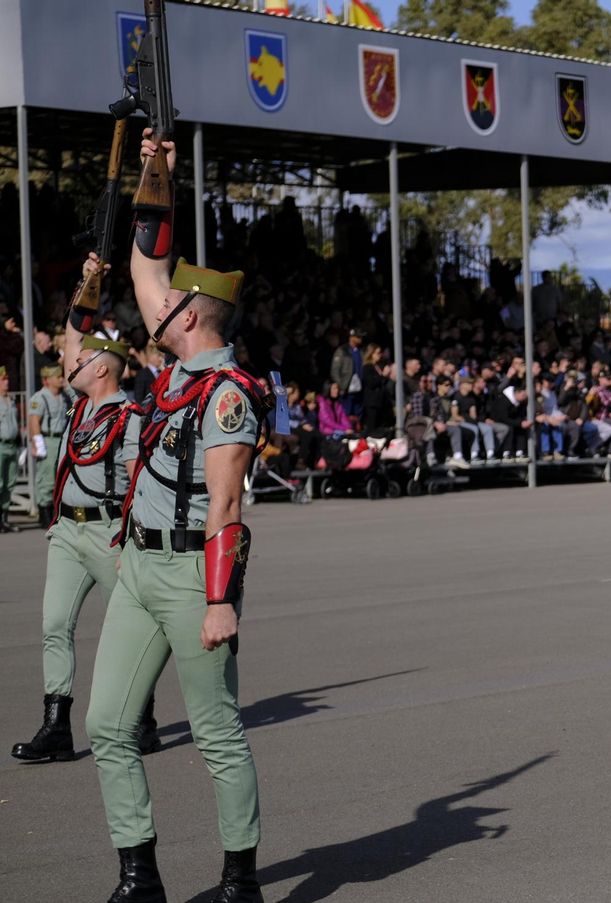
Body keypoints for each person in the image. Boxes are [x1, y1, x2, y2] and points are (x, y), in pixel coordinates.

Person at [84, 130, 269, 901]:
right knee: (105, 726)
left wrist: (221, 600)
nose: (153, 304)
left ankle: (240, 879)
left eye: (168, 303)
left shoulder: (225, 395)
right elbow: (144, 260)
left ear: (192, 318)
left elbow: (227, 503)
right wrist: (157, 170)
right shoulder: (171, 372)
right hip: (140, 566)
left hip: (198, 573)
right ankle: (139, 872)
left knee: (218, 733)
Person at [12, 320, 161, 763]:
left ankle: (142, 720)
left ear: (101, 370)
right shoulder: (78, 410)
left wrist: (133, 543)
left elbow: (139, 485)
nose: (70, 364)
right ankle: (56, 727)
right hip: (67, 532)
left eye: (80, 361)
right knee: (54, 625)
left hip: (109, 533)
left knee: (134, 632)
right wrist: (88, 280)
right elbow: (74, 332)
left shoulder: (128, 417)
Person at [27, 363, 70, 518]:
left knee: (60, 476)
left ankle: (54, 510)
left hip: (61, 439)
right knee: (46, 478)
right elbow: (34, 421)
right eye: (57, 377)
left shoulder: (63, 396)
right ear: (47, 380)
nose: (61, 379)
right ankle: (44, 511)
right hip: (48, 439)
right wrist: (38, 445)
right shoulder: (40, 397)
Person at [1, 365, 19, 532]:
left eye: (7, 379)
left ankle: (4, 518)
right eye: (3, 379)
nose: (7, 382)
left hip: (12, 445)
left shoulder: (11, 400)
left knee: (9, 483)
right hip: (0, 445)